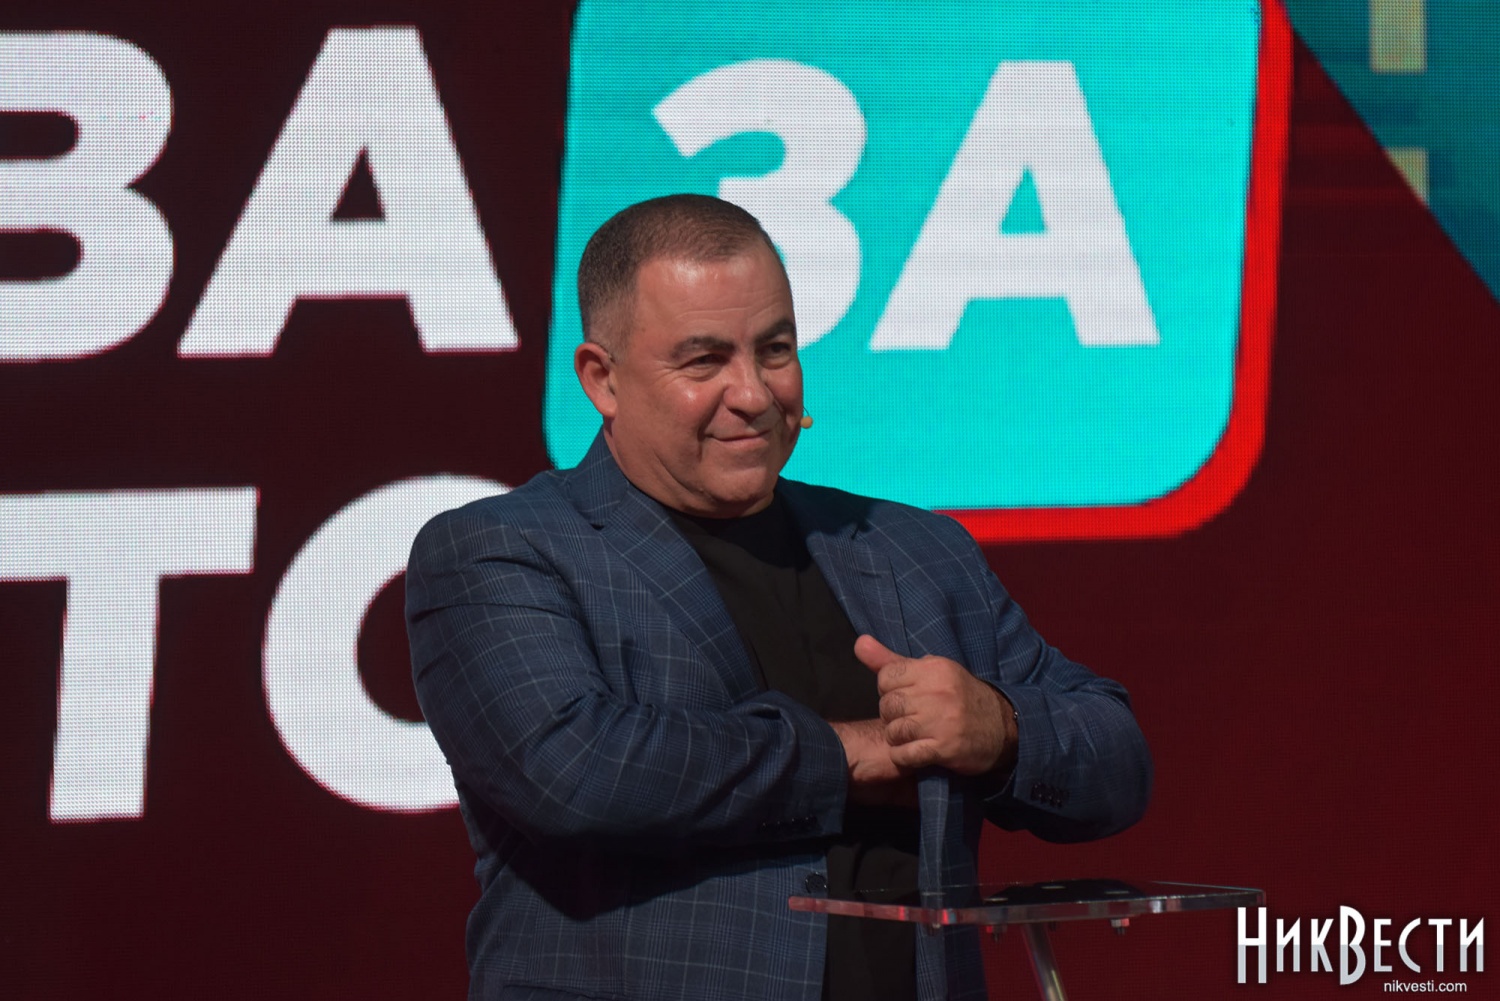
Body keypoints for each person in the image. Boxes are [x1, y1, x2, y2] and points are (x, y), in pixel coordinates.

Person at [406, 194, 1151, 1001]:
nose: (755, 393)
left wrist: (1000, 730)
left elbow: (1117, 758)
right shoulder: (499, 550)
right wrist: (862, 751)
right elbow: (579, 771)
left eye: (776, 349)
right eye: (704, 361)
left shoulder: (915, 551)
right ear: (602, 378)